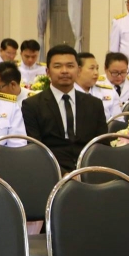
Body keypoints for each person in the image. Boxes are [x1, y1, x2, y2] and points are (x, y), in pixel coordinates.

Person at [21, 45, 108, 173]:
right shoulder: (32, 105)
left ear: (78, 70)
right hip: (51, 173)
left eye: (70, 66)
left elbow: (102, 145)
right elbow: (36, 149)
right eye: (57, 66)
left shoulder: (94, 104)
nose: (64, 71)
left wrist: (89, 173)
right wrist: (63, 175)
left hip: (90, 172)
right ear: (47, 72)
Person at [74, 52, 120, 121]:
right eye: (92, 68)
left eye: (97, 68)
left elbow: (118, 121)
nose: (96, 73)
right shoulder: (68, 93)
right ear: (78, 70)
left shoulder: (109, 92)